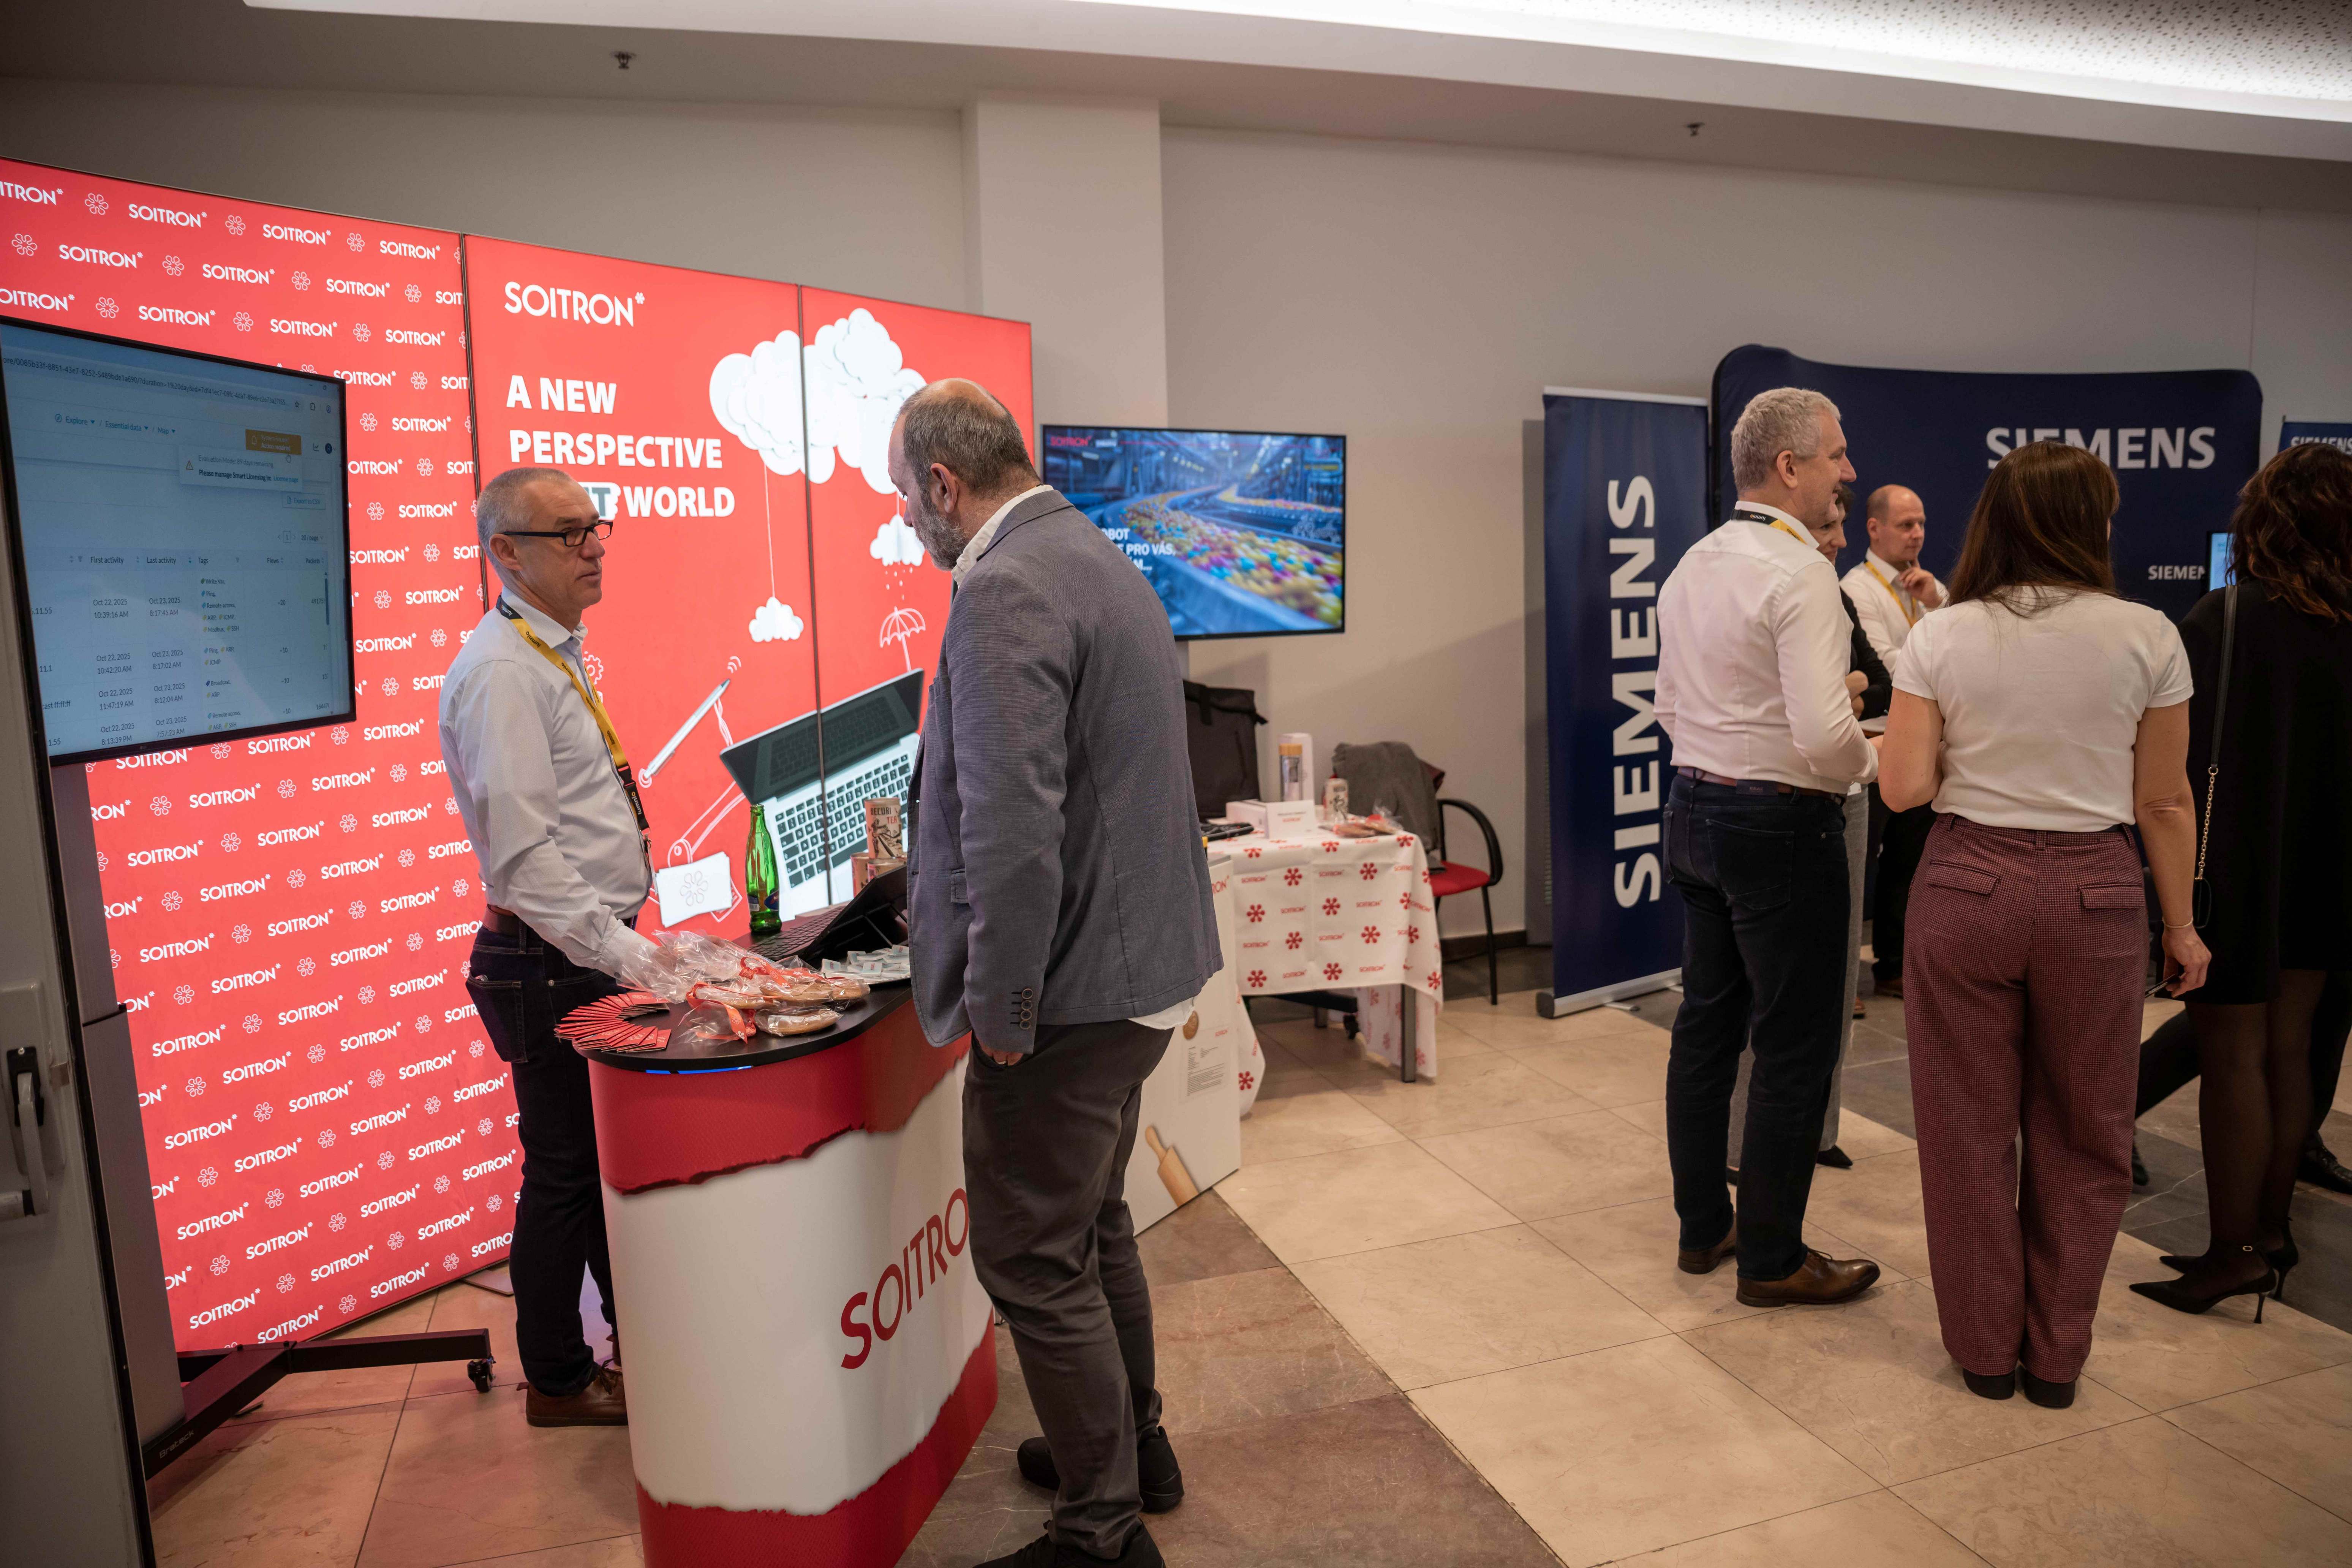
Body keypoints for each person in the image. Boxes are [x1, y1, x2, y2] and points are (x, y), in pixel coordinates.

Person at [893, 380, 1219, 1568]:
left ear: (943, 483)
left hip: (1070, 989)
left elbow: (1012, 830)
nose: (908, 524)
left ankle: (1101, 1532)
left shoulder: (1004, 587)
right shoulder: (1092, 552)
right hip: (1139, 970)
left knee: (1033, 1256)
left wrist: (1007, 1006)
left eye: (905, 499)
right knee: (1093, 1224)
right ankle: (1135, 1451)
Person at [1878, 440, 2210, 1408]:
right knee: (2087, 1131)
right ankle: (2057, 1360)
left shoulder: (1944, 633)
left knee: (1965, 1133)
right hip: (2097, 893)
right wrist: (2182, 927)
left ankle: (1986, 1353)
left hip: (1966, 884)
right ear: (2089, 524)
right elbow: (2164, 801)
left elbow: (1903, 789)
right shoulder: (2150, 635)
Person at [1655, 386, 1884, 1308]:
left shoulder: (1694, 562)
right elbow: (1826, 739)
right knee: (1795, 1047)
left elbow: (1670, 708)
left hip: (1694, 807)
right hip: (1781, 825)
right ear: (1790, 467)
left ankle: (1703, 1228)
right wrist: (1874, 760)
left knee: (1707, 1029)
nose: (1848, 470)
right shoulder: (1803, 575)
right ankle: (1773, 1257)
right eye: (1836, 455)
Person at [441, 466, 652, 1427]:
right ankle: (559, 1383)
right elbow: (525, 860)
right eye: (568, 534)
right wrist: (620, 950)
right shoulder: (503, 673)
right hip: (552, 959)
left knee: (595, 1166)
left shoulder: (547, 653)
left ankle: (635, 1347)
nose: (594, 547)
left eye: (595, 526)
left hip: (581, 951)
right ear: (506, 553)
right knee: (565, 1172)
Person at [2137, 442, 2352, 1317]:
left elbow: (2176, 762)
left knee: (2232, 1054)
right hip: (2330, 866)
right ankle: (2270, 1233)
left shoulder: (2224, 619)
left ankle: (2232, 1253)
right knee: (2291, 1048)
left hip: (2235, 860)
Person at [1727, 481, 1883, 1176]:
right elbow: (1802, 710)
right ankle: (1750, 1153)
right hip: (1785, 800)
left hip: (1838, 798)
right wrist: (1845, 704)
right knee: (1771, 995)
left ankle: (1819, 1131)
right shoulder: (1767, 582)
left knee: (1834, 981)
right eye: (1829, 526)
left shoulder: (1831, 594)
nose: (1840, 541)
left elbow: (1879, 681)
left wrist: (1846, 692)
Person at [1844, 485, 1945, 1002]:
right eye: (1906, 524)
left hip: (1918, 737)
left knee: (1909, 859)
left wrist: (1937, 603)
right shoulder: (1857, 588)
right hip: (1870, 740)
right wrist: (1940, 653)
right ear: (1874, 528)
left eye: (1921, 523)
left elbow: (1967, 643)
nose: (1917, 534)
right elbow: (1887, 667)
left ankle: (1894, 966)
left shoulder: (1927, 586)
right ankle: (1844, 979)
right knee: (1858, 864)